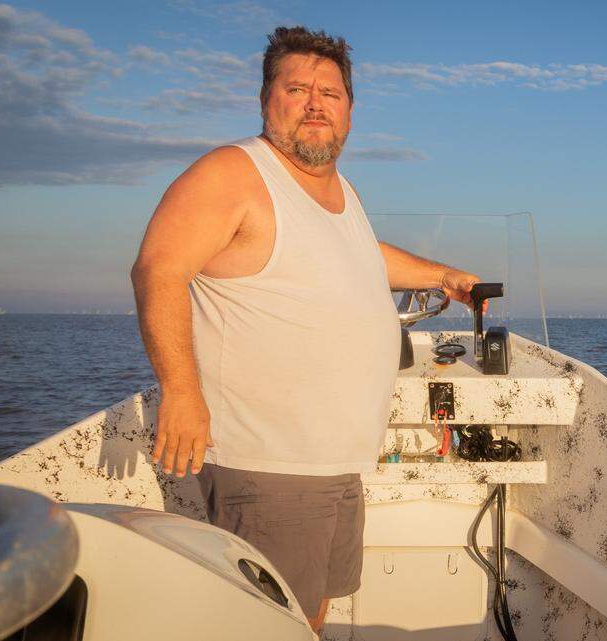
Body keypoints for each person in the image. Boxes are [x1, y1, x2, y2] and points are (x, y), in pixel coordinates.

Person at [130, 25, 482, 634]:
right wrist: (181, 392)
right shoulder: (234, 174)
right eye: (297, 89)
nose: (316, 102)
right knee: (268, 625)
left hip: (335, 463)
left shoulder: (338, 191)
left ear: (350, 111)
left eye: (331, 92)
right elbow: (158, 269)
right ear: (267, 99)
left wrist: (442, 274)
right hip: (271, 463)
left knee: (309, 618)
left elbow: (365, 256)